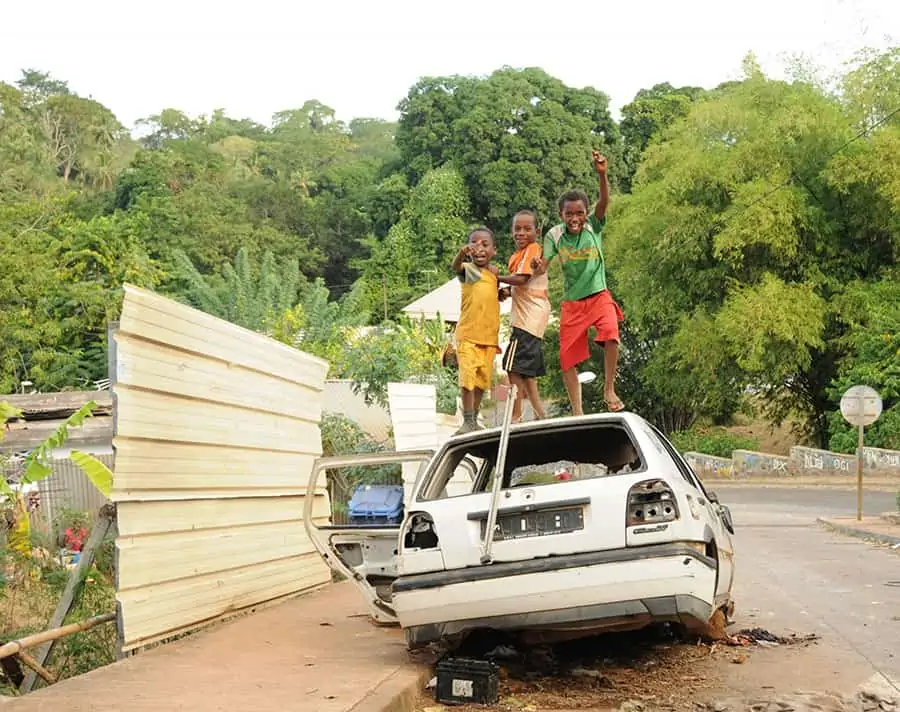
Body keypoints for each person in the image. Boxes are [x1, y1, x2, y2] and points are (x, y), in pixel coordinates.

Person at [539, 150, 624, 415]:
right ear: (561, 214)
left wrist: (602, 174)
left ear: (586, 213)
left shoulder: (593, 227)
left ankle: (609, 389)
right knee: (566, 359)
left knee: (611, 335)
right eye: (569, 214)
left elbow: (604, 201)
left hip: (599, 295)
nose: (574, 218)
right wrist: (538, 265)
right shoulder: (554, 235)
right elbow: (545, 262)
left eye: (579, 213)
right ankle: (578, 411)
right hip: (573, 302)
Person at [497, 209, 550, 422]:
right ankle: (540, 414)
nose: (521, 233)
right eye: (517, 228)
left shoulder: (533, 249)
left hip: (527, 320)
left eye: (527, 229)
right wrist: (506, 291)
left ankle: (515, 416)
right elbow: (524, 284)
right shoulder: (517, 256)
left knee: (511, 366)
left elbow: (521, 279)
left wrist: (495, 277)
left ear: (537, 231)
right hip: (533, 319)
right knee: (527, 372)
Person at [451, 226, 501, 434]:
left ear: (494, 250)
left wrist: (502, 293)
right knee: (468, 378)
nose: (479, 248)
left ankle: (475, 417)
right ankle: (467, 419)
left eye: (485, 244)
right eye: (475, 243)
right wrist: (461, 254)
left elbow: (490, 295)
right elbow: (456, 267)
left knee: (482, 380)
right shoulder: (469, 270)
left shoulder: (494, 274)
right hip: (469, 335)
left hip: (489, 337)